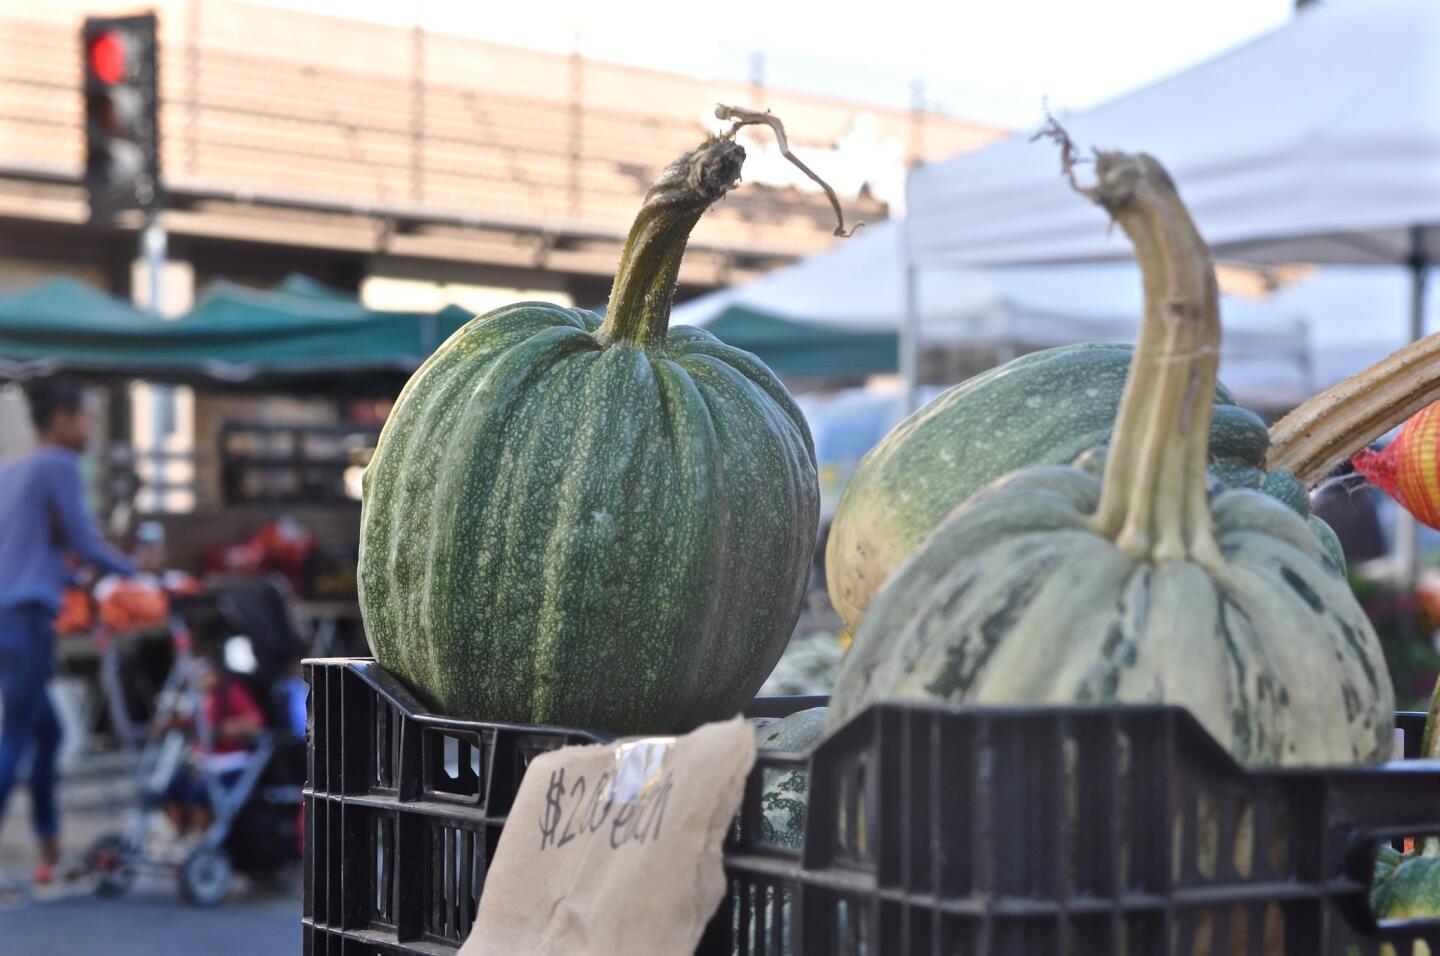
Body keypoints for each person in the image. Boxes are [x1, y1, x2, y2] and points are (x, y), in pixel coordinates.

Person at [0, 377, 136, 890]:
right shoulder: (58, 464)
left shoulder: (13, 468)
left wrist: (71, 574)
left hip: (9, 613)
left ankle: (48, 851)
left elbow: (37, 548)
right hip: (26, 615)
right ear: (60, 421)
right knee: (15, 736)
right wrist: (134, 570)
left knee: (48, 733)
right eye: (86, 417)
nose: (92, 428)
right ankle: (45, 848)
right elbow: (85, 540)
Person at [161, 657, 266, 841]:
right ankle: (180, 834)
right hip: (204, 763)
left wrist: (228, 728)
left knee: (200, 795)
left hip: (230, 762)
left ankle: (207, 839)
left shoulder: (231, 693)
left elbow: (256, 722)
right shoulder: (200, 699)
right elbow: (192, 723)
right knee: (171, 789)